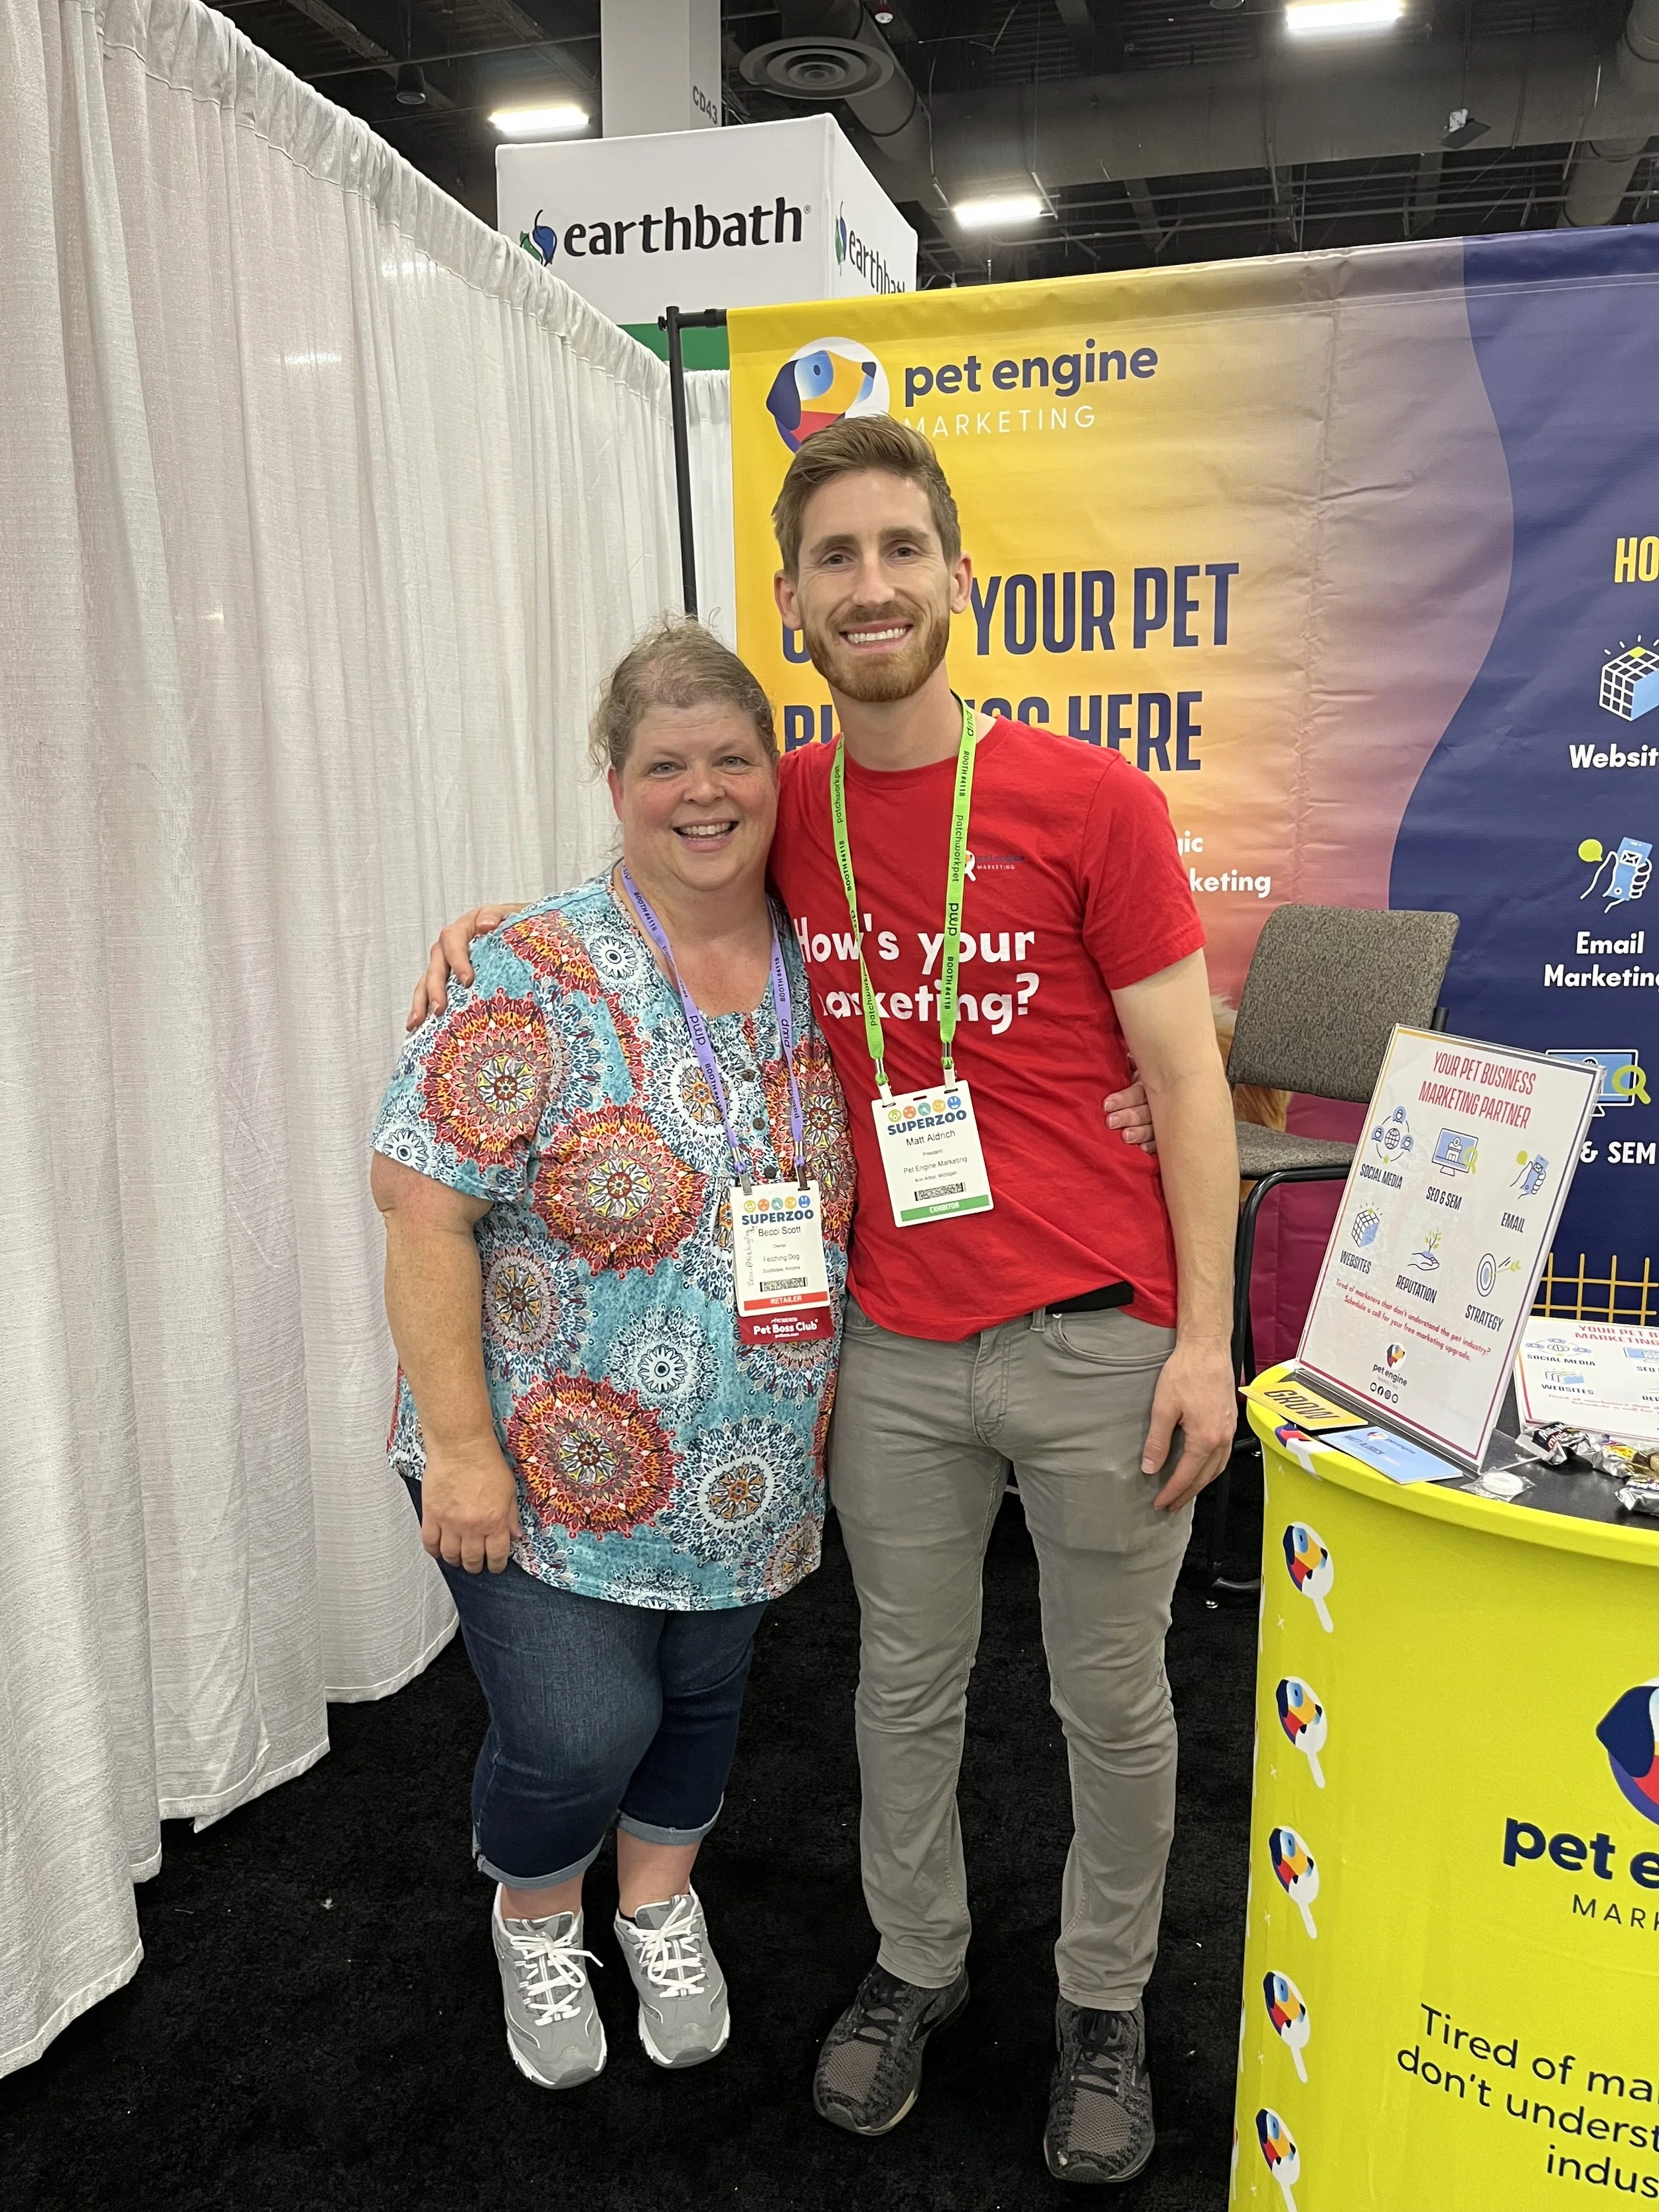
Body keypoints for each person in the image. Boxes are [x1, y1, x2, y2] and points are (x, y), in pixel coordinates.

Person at [413, 416, 1238, 2187]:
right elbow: (656, 872)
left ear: (959, 580)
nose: (872, 585)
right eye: (836, 561)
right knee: (904, 1683)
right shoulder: (780, 815)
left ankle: (1099, 1998)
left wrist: (1203, 1340)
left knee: (1111, 1694)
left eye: (900, 550)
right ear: (794, 608)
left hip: (1100, 1336)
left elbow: (1184, 1079)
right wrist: (495, 931)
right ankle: (917, 1960)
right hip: (892, 1348)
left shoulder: (1089, 801)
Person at [371, 623, 852, 2095]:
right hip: (538, 1458)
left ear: (777, 776)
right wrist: (459, 1447)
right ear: (612, 779)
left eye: (730, 761)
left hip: (756, 1458)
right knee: (582, 1722)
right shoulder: (528, 969)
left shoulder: (825, 960)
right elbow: (419, 1205)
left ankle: (654, 1899)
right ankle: (533, 1905)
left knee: (704, 1702)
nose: (701, 793)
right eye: (665, 766)